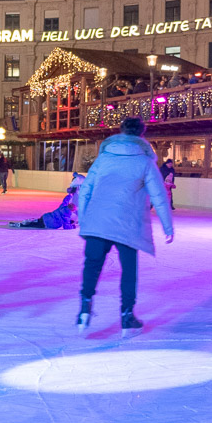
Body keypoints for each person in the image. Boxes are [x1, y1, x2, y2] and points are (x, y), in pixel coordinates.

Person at [76, 117, 174, 338]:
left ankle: (84, 307)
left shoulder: (103, 159)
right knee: (129, 271)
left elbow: (85, 190)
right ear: (142, 134)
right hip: (128, 225)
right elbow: (159, 196)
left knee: (92, 265)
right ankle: (127, 316)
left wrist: (85, 219)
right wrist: (168, 227)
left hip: (98, 222)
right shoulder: (145, 162)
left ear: (121, 131)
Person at [10, 173, 84, 229]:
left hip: (46, 217)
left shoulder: (63, 206)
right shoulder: (67, 216)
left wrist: (69, 195)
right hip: (49, 224)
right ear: (71, 210)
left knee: (38, 221)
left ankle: (31, 221)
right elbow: (66, 226)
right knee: (35, 225)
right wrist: (73, 226)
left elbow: (65, 201)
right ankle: (24, 224)